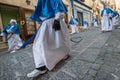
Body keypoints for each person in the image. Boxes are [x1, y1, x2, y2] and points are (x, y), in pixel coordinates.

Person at [27, 0, 70, 77]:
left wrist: (57, 19)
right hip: (47, 24)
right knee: (41, 44)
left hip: (55, 22)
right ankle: (41, 66)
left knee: (59, 42)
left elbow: (60, 10)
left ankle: (63, 54)